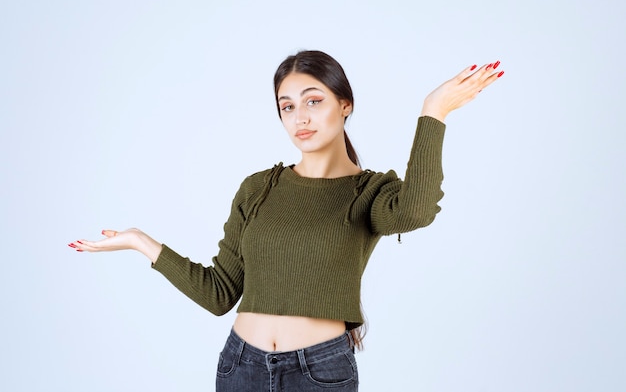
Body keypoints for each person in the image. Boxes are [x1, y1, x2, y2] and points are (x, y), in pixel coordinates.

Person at [69, 50, 503, 391]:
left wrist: (434, 112)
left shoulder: (369, 192)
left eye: (314, 101)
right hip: (240, 366)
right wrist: (142, 243)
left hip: (320, 372)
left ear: (345, 105)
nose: (300, 117)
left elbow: (415, 211)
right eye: (287, 106)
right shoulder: (258, 188)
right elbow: (220, 293)